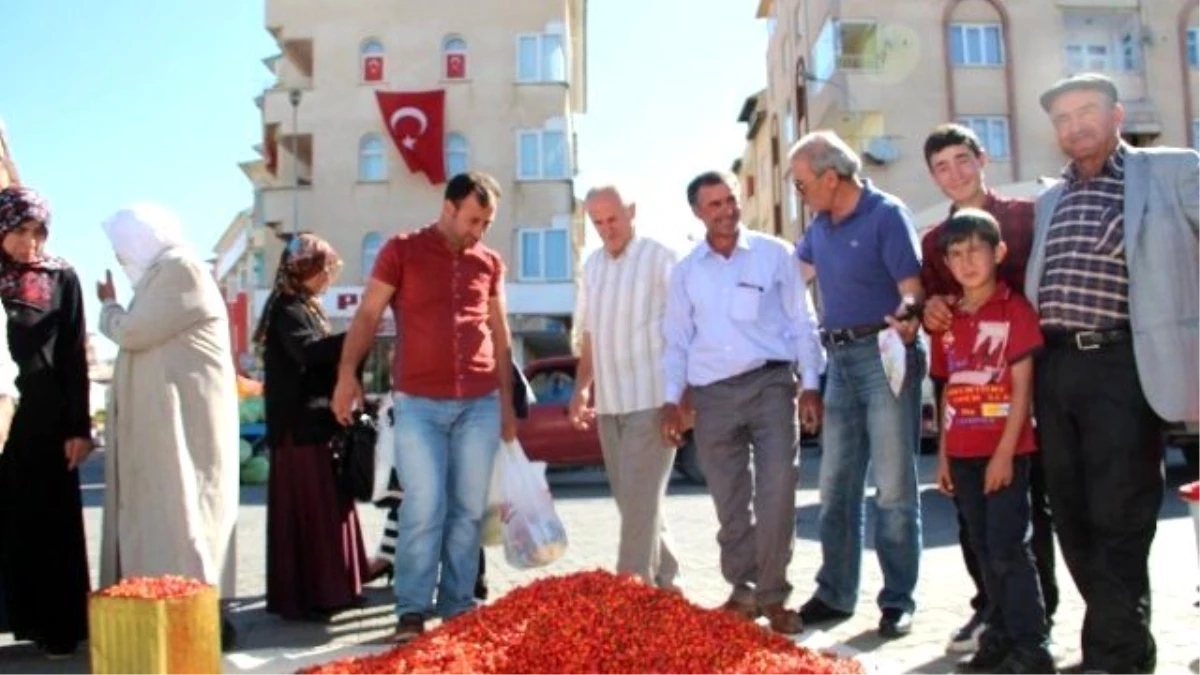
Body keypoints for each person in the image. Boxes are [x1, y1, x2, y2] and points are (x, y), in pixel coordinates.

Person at [1026, 72, 1200, 674]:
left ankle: (1116, 655)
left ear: (1117, 114)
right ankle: (1123, 640)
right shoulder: (1050, 198)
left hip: (1123, 364)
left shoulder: (1172, 171)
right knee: (1070, 514)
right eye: (1062, 118)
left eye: (1086, 111)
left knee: (1120, 513)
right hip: (1055, 370)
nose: (1075, 126)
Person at [332, 171, 518, 643]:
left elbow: (500, 334)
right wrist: (346, 374)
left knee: (467, 510)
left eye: (487, 223)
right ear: (449, 207)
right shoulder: (402, 250)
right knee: (424, 505)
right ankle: (411, 610)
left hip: (479, 403)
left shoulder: (489, 262)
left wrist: (508, 407)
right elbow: (369, 314)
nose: (479, 231)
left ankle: (457, 607)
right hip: (419, 405)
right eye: (475, 219)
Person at [660, 170, 823, 634]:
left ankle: (774, 597)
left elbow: (801, 322)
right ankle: (743, 591)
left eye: (731, 200)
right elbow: (676, 340)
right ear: (697, 212)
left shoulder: (775, 255)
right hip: (712, 398)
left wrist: (810, 383)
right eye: (714, 204)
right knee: (730, 501)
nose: (726, 210)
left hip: (771, 385)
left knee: (777, 491)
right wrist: (672, 400)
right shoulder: (686, 272)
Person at [919, 122, 1058, 654]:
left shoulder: (1023, 216)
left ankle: (1035, 625)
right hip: (967, 384)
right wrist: (928, 312)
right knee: (977, 522)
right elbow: (933, 304)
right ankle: (995, 615)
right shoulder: (935, 241)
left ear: (983, 159)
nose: (954, 174)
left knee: (1028, 510)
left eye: (962, 159)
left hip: (1027, 370)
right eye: (941, 167)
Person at [788, 131, 925, 639]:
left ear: (830, 177)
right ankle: (835, 594)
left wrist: (910, 318)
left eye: (802, 184)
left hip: (884, 353)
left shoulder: (886, 214)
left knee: (892, 486)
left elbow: (912, 290)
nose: (799, 193)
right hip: (837, 360)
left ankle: (897, 601)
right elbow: (788, 277)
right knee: (835, 487)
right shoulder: (818, 227)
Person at [97, 203, 240, 648]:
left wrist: (108, 307)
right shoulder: (163, 275)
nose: (122, 260)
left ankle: (196, 618)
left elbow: (135, 332)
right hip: (168, 427)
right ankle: (164, 611)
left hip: (185, 430)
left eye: (123, 250)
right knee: (170, 518)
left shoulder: (181, 269)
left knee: (185, 518)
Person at [569, 185, 682, 590]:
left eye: (612, 219)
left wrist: (682, 398)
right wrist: (583, 389)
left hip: (652, 400)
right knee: (634, 502)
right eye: (597, 222)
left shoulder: (661, 257)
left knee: (638, 504)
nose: (605, 229)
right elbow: (589, 334)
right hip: (610, 404)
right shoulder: (592, 265)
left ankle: (630, 594)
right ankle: (668, 583)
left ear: (632, 211)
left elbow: (685, 329)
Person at [256, 233, 370, 621]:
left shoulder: (305, 305)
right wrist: (355, 335)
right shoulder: (287, 307)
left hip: (316, 425)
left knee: (328, 505)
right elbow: (306, 352)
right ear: (306, 269)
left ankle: (335, 587)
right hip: (298, 427)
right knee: (313, 509)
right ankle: (313, 594)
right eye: (323, 270)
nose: (328, 278)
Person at [0, 186, 91, 658]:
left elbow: (74, 355)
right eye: (19, 231)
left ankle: (57, 626)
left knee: (46, 520)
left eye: (37, 232)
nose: (28, 243)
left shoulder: (60, 277)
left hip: (44, 414)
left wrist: (80, 427)